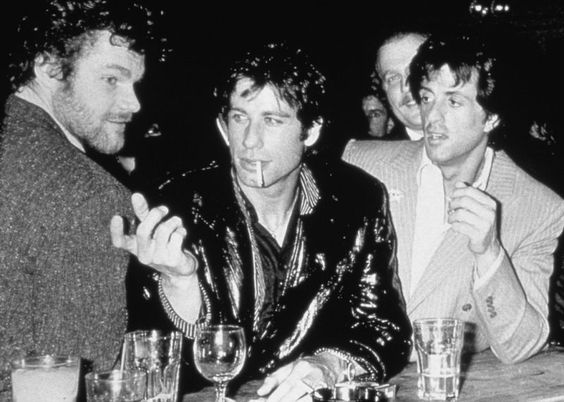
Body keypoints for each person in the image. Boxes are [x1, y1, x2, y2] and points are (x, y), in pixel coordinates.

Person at [111, 42, 412, 399]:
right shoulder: (175, 209)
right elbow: (154, 368)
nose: (250, 141)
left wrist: (328, 365)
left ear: (311, 131)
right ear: (224, 127)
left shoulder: (355, 199)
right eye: (239, 118)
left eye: (272, 120)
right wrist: (180, 283)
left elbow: (384, 327)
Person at [343, 31, 564, 364]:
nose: (433, 116)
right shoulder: (363, 164)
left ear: (491, 117)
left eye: (454, 101)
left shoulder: (537, 208)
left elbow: (519, 345)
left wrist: (489, 253)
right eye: (427, 97)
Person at [0, 0, 167, 396]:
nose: (134, 104)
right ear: (49, 67)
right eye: (112, 79)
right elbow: (75, 389)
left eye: (135, 83)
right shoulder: (90, 196)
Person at [373, 28, 429, 141]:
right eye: (393, 78)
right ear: (384, 89)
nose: (406, 86)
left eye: (415, 70)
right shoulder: (375, 152)